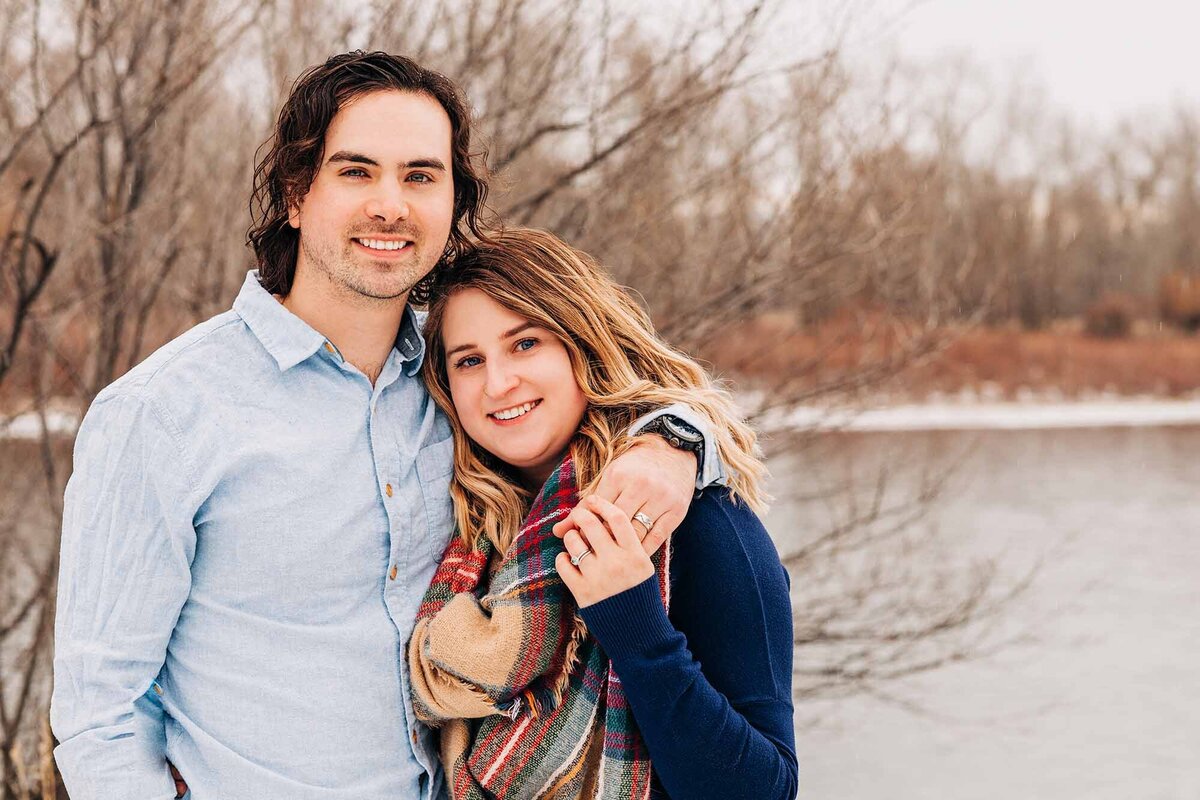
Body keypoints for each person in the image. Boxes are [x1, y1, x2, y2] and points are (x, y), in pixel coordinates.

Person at [51, 52, 721, 800]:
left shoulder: (466, 378)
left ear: (452, 202)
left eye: (421, 176)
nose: (390, 205)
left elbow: (626, 392)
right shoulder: (161, 413)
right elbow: (100, 714)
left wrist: (676, 444)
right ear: (296, 195)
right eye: (356, 171)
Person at [407, 228, 798, 800]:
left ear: (582, 342)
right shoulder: (467, 540)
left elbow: (765, 790)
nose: (497, 382)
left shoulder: (699, 524)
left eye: (525, 344)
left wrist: (634, 622)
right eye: (469, 360)